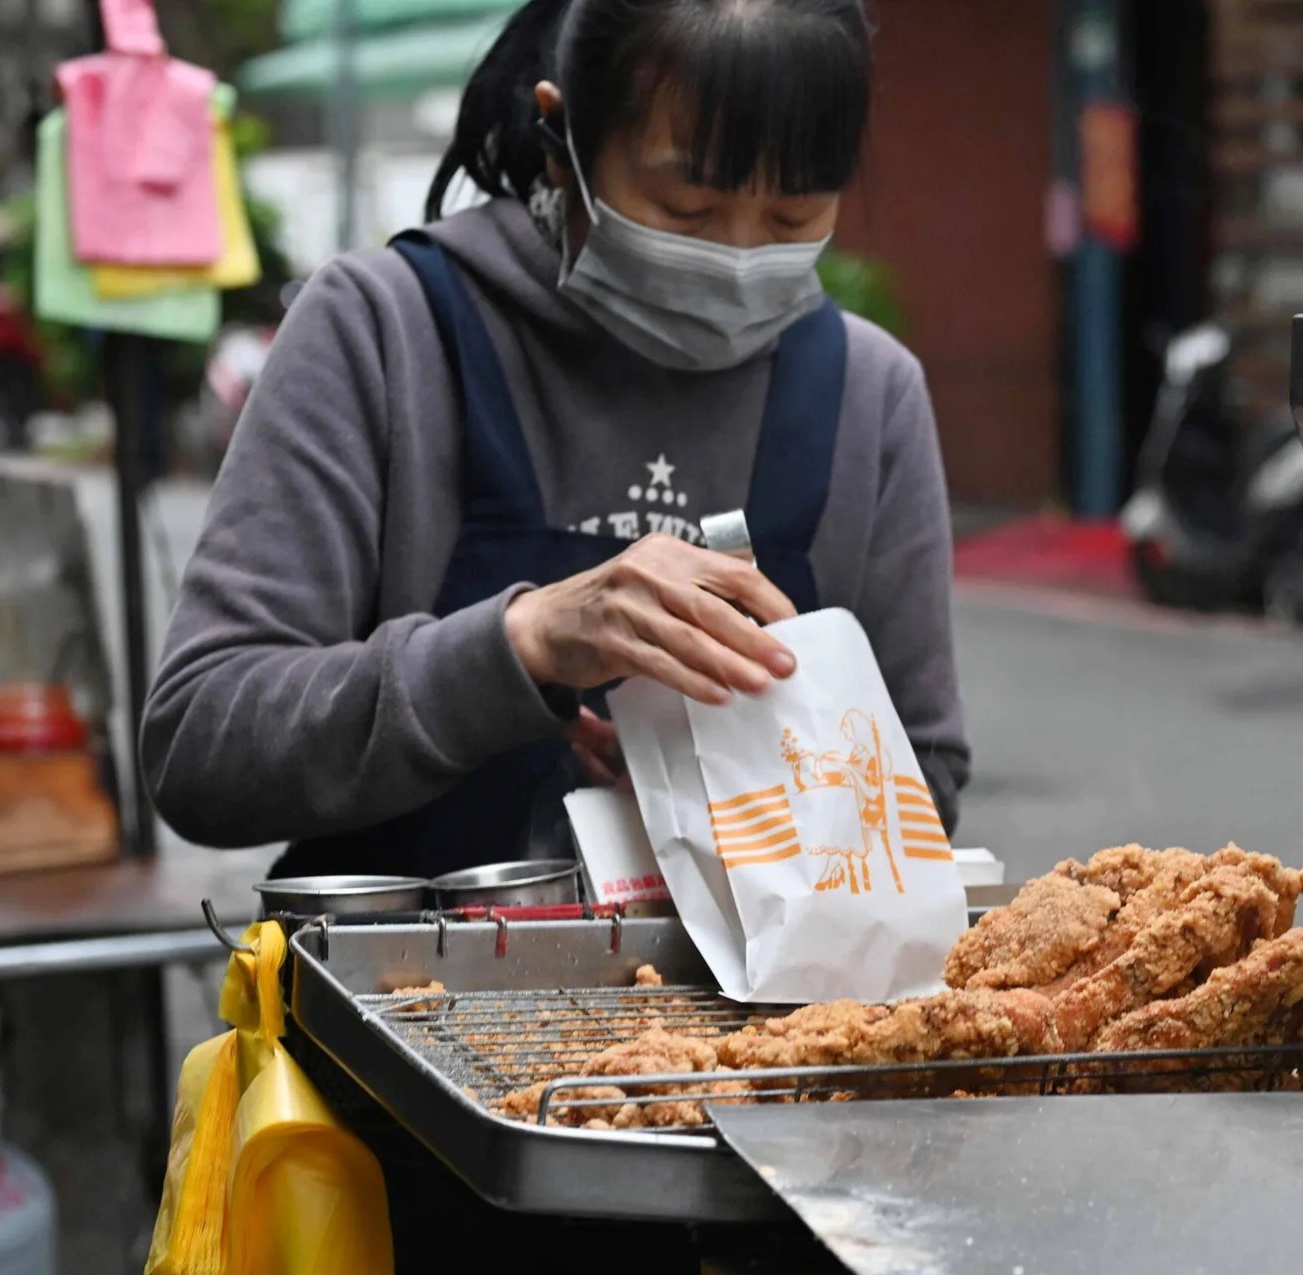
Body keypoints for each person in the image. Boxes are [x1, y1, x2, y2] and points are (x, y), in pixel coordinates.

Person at [141, 0, 968, 892]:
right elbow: (202, 746)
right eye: (685, 207)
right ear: (560, 136)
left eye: (790, 216)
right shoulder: (383, 332)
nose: (734, 256)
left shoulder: (865, 392)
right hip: (396, 1010)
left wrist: (741, 794)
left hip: (750, 1026)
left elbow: (922, 781)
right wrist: (522, 642)